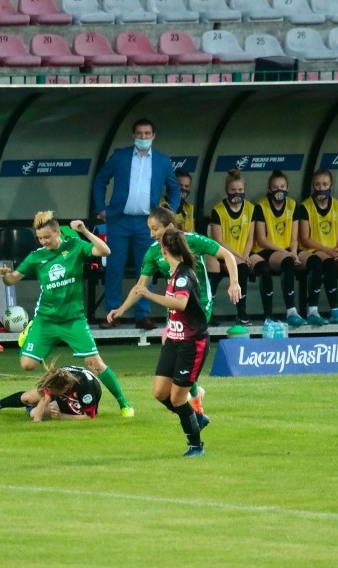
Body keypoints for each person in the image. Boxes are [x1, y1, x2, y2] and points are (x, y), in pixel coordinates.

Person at [0, 211, 135, 417]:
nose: (43, 241)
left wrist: (84, 230)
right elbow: (13, 280)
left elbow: (104, 251)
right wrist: (5, 276)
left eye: (47, 237)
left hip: (73, 320)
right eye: (40, 238)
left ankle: (124, 404)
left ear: (57, 232)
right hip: (46, 320)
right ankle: (33, 332)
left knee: (95, 363)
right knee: (27, 365)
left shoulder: (74, 246)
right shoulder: (37, 256)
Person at [106, 206, 241, 414]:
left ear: (169, 226)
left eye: (155, 229)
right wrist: (121, 309)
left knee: (181, 341)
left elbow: (227, 256)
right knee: (170, 341)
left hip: (199, 304)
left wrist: (234, 283)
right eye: (149, 229)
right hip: (176, 304)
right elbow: (140, 286)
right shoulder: (153, 252)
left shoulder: (193, 240)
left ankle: (191, 395)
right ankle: (195, 394)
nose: (151, 234)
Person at [93, 118, 181, 330]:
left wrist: (170, 212)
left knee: (146, 267)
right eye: (139, 133)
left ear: (154, 136)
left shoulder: (162, 160)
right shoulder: (120, 156)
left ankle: (143, 314)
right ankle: (112, 314)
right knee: (114, 267)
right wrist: (101, 208)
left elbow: (175, 189)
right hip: (119, 220)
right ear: (134, 136)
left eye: (147, 133)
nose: (143, 137)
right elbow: (100, 180)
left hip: (148, 223)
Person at [134, 228, 210, 457]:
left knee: (178, 399)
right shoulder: (175, 273)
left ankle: (196, 445)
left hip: (191, 344)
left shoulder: (184, 275)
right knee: (159, 392)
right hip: (175, 341)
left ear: (165, 250)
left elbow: (180, 304)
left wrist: (148, 294)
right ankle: (196, 418)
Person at [296, 169, 338, 325]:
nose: (321, 188)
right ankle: (334, 310)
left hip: (335, 250)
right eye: (318, 185)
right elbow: (305, 239)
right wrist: (329, 251)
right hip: (315, 250)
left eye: (325, 184)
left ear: (331, 185)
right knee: (328, 264)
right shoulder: (306, 207)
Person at [248, 170, 307, 327]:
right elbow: (262, 239)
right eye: (275, 187)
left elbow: (294, 238)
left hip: (286, 250)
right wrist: (286, 253)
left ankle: (297, 312)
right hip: (265, 250)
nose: (279, 190)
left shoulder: (293, 205)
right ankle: (273, 314)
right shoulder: (261, 206)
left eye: (282, 186)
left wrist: (293, 252)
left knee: (295, 260)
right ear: (269, 189)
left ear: (288, 188)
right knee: (284, 262)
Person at [208, 169, 255, 325]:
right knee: (214, 269)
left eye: (240, 190)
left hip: (242, 256)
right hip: (221, 254)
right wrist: (239, 257)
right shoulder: (218, 210)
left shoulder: (250, 208)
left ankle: (242, 314)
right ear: (226, 191)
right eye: (233, 190)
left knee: (242, 269)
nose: (237, 193)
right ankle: (207, 313)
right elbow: (218, 240)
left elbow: (250, 238)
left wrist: (246, 255)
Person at [0, 364, 102, 422]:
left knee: (34, 412)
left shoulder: (86, 390)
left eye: (54, 393)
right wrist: (36, 422)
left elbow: (90, 418)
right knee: (28, 398)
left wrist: (62, 416)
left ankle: (31, 409)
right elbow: (45, 399)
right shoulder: (58, 378)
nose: (50, 394)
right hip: (63, 390)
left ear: (64, 389)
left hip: (77, 402)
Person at [160, 168, 195, 233]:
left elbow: (192, 234)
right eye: (180, 185)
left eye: (186, 186)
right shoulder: (159, 205)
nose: (183, 189)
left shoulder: (189, 208)